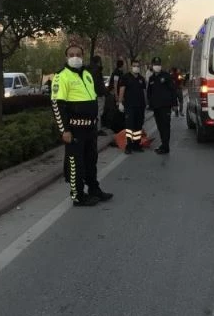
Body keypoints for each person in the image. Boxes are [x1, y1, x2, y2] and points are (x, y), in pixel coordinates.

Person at [51, 44, 113, 207]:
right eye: (71, 54)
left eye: (78, 54)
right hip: (75, 129)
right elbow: (57, 105)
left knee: (91, 161)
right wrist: (64, 130)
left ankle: (94, 189)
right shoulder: (61, 76)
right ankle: (77, 195)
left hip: (90, 128)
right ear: (66, 57)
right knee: (75, 164)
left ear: (83, 56)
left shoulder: (87, 74)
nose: (75, 57)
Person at [148, 57, 177, 154]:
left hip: (165, 106)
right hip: (156, 107)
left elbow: (173, 90)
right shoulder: (151, 78)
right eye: (155, 64)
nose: (157, 66)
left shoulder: (166, 76)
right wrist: (150, 104)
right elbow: (149, 93)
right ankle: (163, 144)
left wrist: (174, 104)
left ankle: (166, 146)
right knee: (160, 126)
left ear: (161, 65)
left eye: (158, 64)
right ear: (152, 66)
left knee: (165, 126)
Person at [118, 59, 147, 155]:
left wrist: (146, 103)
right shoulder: (125, 77)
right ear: (131, 67)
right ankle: (129, 146)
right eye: (134, 66)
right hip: (129, 106)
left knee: (138, 126)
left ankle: (137, 145)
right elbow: (122, 90)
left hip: (140, 106)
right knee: (129, 126)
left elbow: (144, 92)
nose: (136, 68)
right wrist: (120, 102)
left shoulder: (141, 79)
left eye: (138, 66)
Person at [87, 55, 108, 136]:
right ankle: (98, 129)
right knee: (99, 111)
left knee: (94, 112)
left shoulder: (88, 70)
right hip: (98, 94)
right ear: (99, 61)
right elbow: (99, 84)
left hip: (90, 94)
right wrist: (104, 92)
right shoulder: (97, 71)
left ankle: (93, 127)